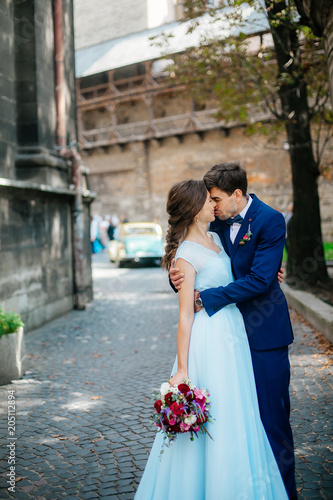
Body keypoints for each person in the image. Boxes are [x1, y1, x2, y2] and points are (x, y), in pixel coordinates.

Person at [135, 179, 288, 500]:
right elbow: (184, 314)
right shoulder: (187, 253)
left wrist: (270, 271)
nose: (213, 206)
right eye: (208, 201)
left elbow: (248, 270)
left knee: (244, 412)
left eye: (214, 199)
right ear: (193, 209)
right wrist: (181, 368)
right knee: (219, 412)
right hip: (210, 339)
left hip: (237, 335)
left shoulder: (218, 234)